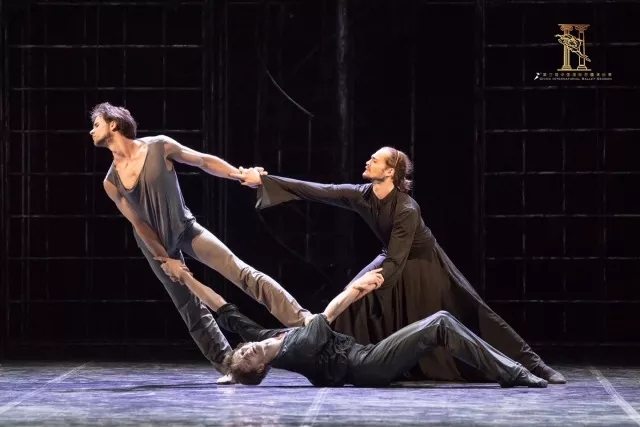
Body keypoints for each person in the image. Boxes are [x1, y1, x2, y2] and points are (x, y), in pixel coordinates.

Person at [229, 147, 566, 384]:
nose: (368, 161)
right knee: (351, 304)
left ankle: (533, 364)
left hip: (423, 263)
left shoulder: (406, 209)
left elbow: (397, 259)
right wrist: (266, 181)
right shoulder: (362, 194)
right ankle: (358, 363)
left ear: (390, 172)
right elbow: (320, 191)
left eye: (375, 160)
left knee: (469, 310)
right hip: (391, 257)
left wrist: (372, 283)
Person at [89, 102, 311, 382]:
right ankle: (229, 365)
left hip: (186, 229)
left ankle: (303, 319)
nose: (91, 131)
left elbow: (203, 161)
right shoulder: (111, 182)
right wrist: (165, 258)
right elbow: (139, 224)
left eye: (96, 124)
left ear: (113, 124)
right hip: (155, 246)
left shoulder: (159, 146)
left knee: (240, 271)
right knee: (189, 305)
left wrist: (239, 174)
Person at [154, 256, 548, 389]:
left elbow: (222, 307)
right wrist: (358, 288)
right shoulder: (296, 350)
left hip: (365, 353)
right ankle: (514, 373)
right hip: (367, 366)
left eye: (243, 349)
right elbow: (330, 313)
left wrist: (185, 277)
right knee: (440, 323)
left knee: (437, 323)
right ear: (261, 369)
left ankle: (509, 369)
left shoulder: (268, 336)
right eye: (249, 357)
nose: (248, 348)